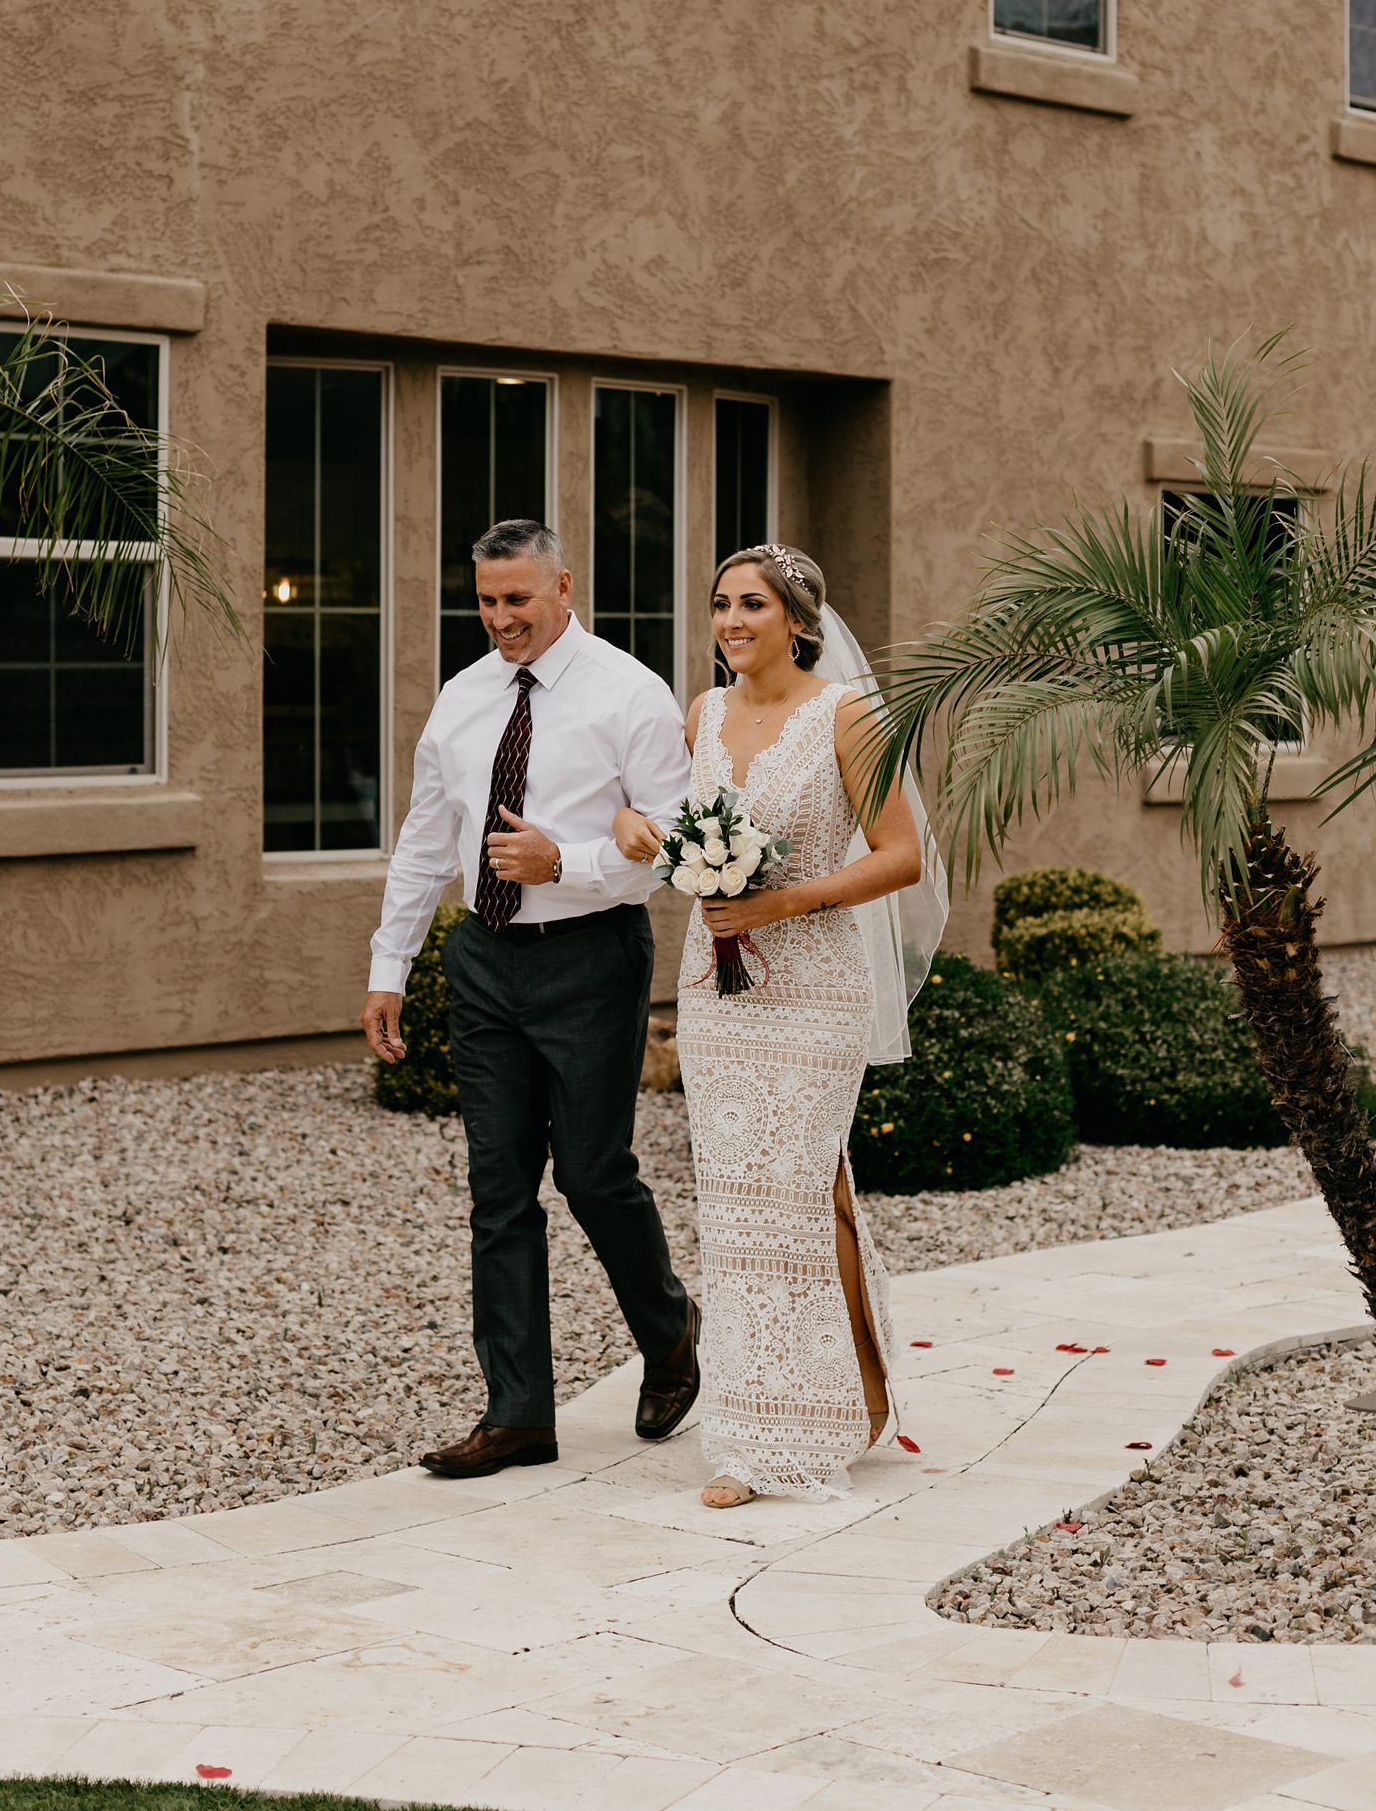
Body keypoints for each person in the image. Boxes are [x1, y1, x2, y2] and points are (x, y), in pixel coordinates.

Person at [361, 517, 700, 1479]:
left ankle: (670, 1332)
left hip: (591, 956)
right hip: (484, 961)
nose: (501, 619)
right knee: (497, 1191)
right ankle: (518, 1415)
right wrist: (392, 967)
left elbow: (674, 844)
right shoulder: (463, 699)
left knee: (594, 1174)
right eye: (486, 600)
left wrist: (570, 861)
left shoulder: (629, 693)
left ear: (563, 587)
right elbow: (428, 842)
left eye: (518, 598)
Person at [615, 543, 945, 1507]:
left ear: (798, 620)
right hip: (718, 992)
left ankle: (789, 1438)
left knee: (793, 1193)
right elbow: (680, 835)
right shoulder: (704, 714)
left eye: (752, 605)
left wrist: (784, 903)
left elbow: (901, 855)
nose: (731, 622)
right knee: (735, 1205)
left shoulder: (848, 713)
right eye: (720, 605)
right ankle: (793, 1408)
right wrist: (643, 833)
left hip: (813, 989)